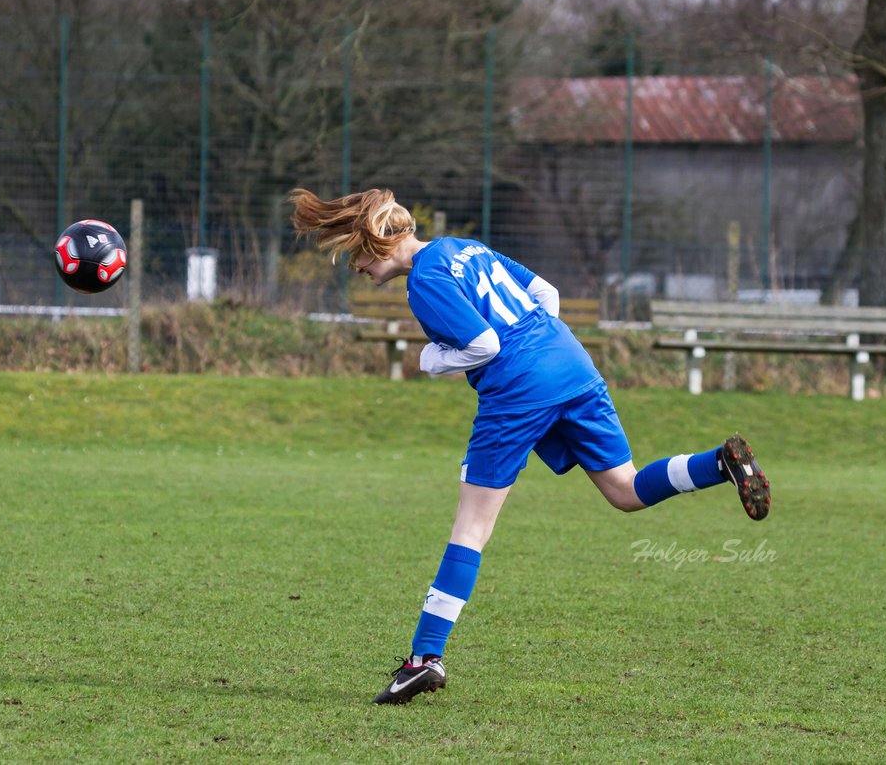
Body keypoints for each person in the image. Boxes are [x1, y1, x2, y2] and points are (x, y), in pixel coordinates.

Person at [289, 186, 771, 706]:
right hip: (572, 364)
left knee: (471, 528)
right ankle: (719, 463)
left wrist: (432, 360)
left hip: (519, 387)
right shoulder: (464, 246)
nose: (354, 267)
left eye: (352, 254)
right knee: (625, 489)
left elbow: (483, 346)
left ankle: (424, 658)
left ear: (374, 242)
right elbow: (548, 295)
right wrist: (541, 350)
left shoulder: (425, 280)